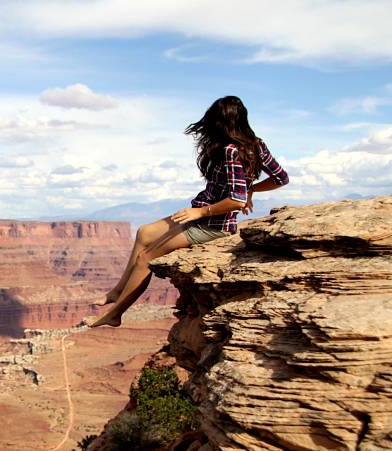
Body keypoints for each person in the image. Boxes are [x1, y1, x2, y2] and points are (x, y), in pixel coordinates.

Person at [84, 95, 289, 328]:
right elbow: (280, 178)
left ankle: (115, 315)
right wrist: (250, 188)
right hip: (202, 214)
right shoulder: (257, 144)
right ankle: (117, 291)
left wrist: (201, 213)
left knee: (146, 259)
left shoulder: (231, 150)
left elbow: (235, 200)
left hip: (213, 225)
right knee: (144, 232)